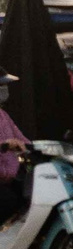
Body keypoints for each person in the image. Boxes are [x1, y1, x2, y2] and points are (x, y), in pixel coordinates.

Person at [0, 72, 27, 225]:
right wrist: (5, 144)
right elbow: (9, 142)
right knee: (8, 200)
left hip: (7, 178)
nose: (4, 89)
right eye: (1, 85)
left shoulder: (3, 115)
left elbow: (22, 139)